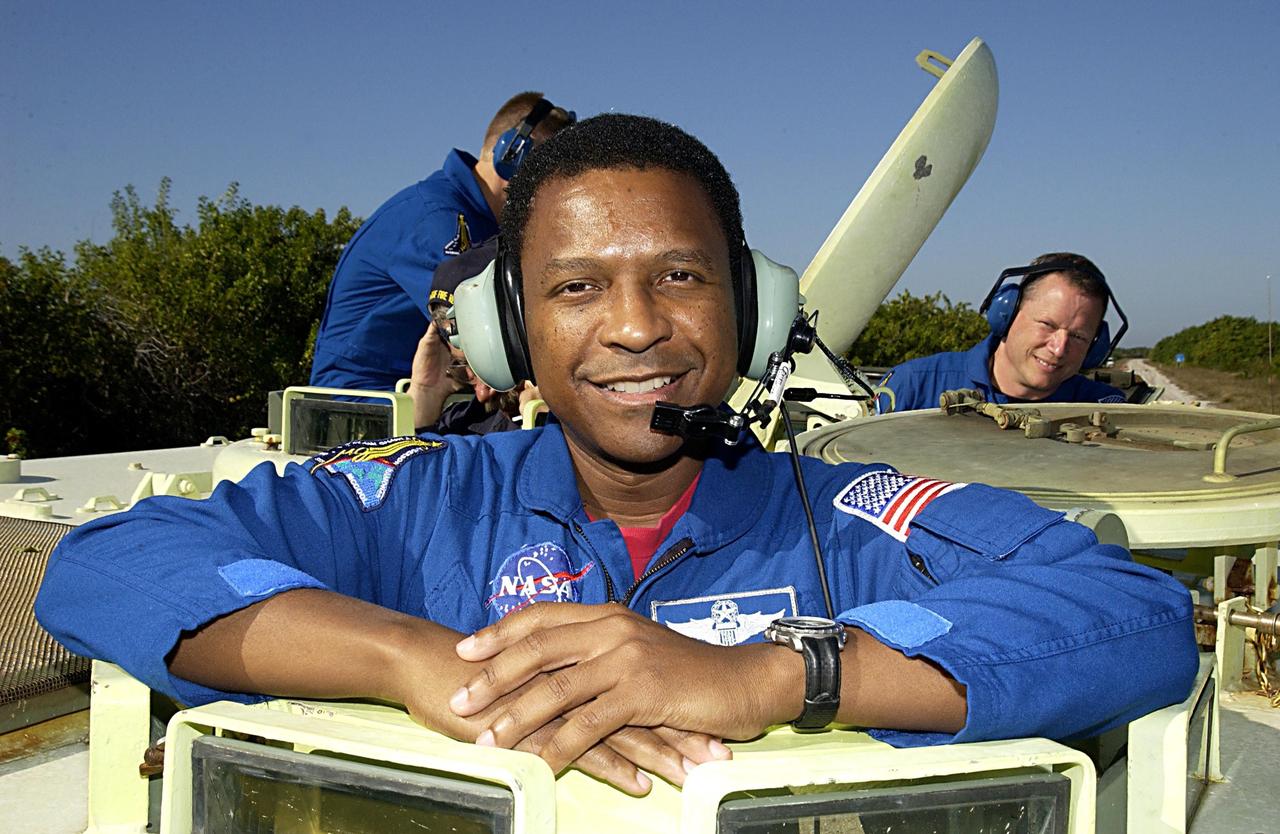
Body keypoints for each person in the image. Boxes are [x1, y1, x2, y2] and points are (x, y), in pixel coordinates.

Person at [36, 115, 1196, 798]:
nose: (634, 326)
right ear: (509, 331)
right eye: (576, 287)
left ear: (747, 307)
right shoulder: (415, 500)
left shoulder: (853, 509)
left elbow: (1128, 612)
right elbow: (110, 562)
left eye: (680, 277)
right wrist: (409, 659)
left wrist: (775, 677)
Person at [309, 92, 574, 391]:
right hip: (362, 400)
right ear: (512, 157)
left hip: (420, 393)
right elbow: (489, 333)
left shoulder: (482, 222)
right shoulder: (438, 218)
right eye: (548, 176)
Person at [880, 253, 1127, 412]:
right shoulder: (914, 386)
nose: (1059, 348)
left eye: (1078, 336)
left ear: (1096, 346)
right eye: (1047, 325)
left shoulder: (1104, 411)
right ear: (1006, 314)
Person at [410, 237, 541, 435]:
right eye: (465, 369)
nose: (481, 394)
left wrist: (543, 424)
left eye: (487, 364)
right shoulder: (461, 421)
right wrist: (426, 393)